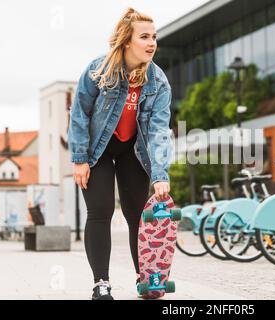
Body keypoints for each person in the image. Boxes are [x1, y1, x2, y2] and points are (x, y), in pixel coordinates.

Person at [67, 7, 173, 300]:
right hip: (97, 149)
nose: (152, 42)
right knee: (100, 211)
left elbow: (159, 129)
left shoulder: (158, 81)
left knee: (137, 215)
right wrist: (79, 159)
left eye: (154, 36)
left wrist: (161, 174)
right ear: (127, 40)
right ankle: (101, 283)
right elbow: (79, 116)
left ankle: (146, 279)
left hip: (132, 151)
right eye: (144, 36)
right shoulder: (98, 71)